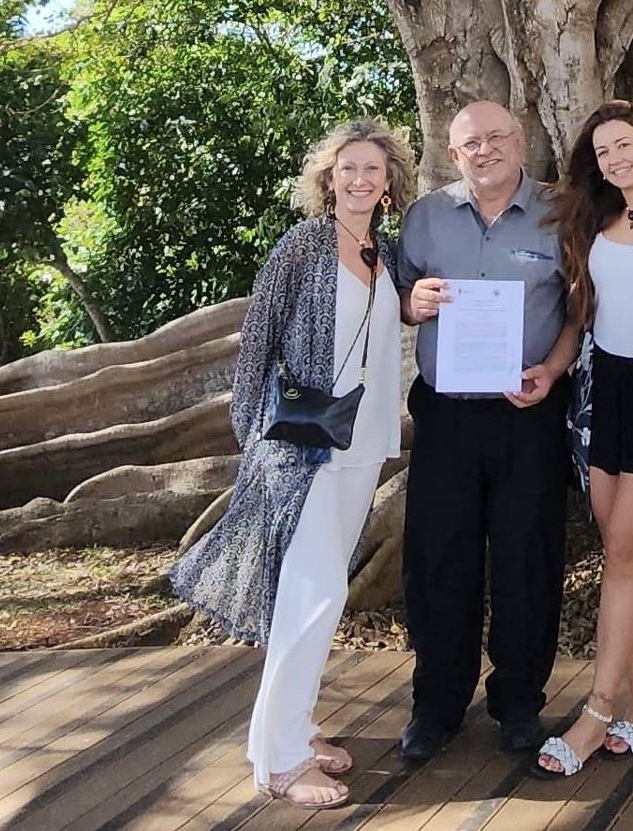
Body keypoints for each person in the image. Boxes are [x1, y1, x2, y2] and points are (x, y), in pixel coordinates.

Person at [169, 120, 414, 809]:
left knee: (322, 592)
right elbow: (257, 343)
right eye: (348, 168)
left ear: (389, 183)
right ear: (328, 179)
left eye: (372, 169)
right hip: (302, 448)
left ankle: (297, 728)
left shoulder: (388, 253)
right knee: (312, 593)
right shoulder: (302, 245)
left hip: (363, 444)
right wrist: (254, 440)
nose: (359, 179)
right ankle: (277, 762)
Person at [395, 101, 580, 762]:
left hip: (527, 414)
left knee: (527, 557)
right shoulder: (425, 216)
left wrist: (552, 371)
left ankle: (519, 703)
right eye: (470, 143)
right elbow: (398, 298)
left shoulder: (562, 214)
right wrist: (411, 303)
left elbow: (580, 312)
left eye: (496, 137)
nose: (485, 150)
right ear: (453, 154)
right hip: (445, 416)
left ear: (520, 141)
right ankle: (436, 705)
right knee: (439, 558)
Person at [533, 101, 633, 778]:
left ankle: (598, 712)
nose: (614, 159)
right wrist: (551, 370)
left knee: (626, 549)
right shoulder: (595, 222)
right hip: (602, 392)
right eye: (602, 152)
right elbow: (581, 316)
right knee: (623, 552)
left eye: (624, 145)